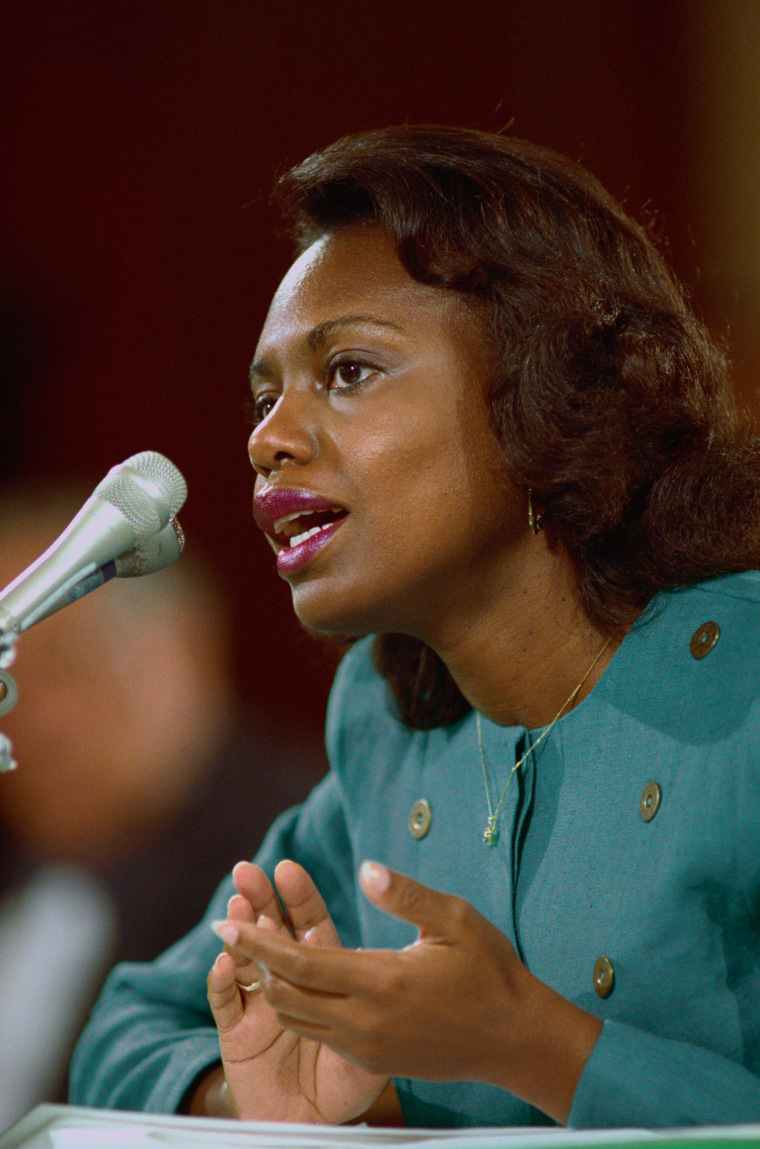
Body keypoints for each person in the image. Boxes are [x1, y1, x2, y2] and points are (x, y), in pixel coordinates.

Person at [70, 125, 760, 1130]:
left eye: (347, 371)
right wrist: (302, 1098)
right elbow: (124, 1032)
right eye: (265, 394)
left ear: (546, 392)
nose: (268, 437)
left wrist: (532, 1046)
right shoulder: (394, 730)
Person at [0, 483, 325, 1129]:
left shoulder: (307, 844)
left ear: (185, 649)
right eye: (6, 686)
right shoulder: (21, 857)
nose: (36, 723)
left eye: (73, 665)